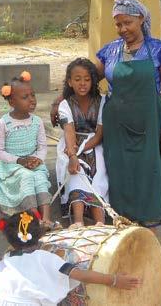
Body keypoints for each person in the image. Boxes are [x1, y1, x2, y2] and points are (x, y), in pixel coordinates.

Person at [51, 0, 161, 228]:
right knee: (119, 174)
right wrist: (60, 100)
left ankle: (146, 223)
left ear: (141, 19)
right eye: (118, 24)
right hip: (116, 128)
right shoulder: (110, 51)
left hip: (150, 126)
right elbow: (86, 78)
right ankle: (123, 222)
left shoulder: (160, 51)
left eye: (127, 22)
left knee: (148, 172)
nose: (123, 29)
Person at [0, 210, 141, 306]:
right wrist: (113, 280)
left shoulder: (6, 259)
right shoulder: (47, 258)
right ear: (40, 234)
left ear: (10, 240)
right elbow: (81, 275)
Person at [0, 73, 57, 230]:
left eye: (33, 95)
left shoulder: (37, 122)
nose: (32, 99)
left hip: (33, 163)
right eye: (25, 97)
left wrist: (38, 159)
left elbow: (42, 146)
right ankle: (35, 218)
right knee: (27, 177)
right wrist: (19, 161)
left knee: (40, 177)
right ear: (11, 101)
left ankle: (46, 219)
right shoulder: (4, 123)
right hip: (12, 166)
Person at [55, 58, 108, 228]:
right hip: (72, 145)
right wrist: (72, 155)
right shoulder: (65, 104)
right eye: (77, 79)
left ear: (93, 80)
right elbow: (69, 131)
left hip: (95, 143)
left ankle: (99, 221)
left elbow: (99, 135)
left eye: (87, 79)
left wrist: (84, 149)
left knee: (99, 169)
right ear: (70, 82)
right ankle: (78, 221)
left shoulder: (102, 101)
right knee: (75, 172)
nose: (82, 84)